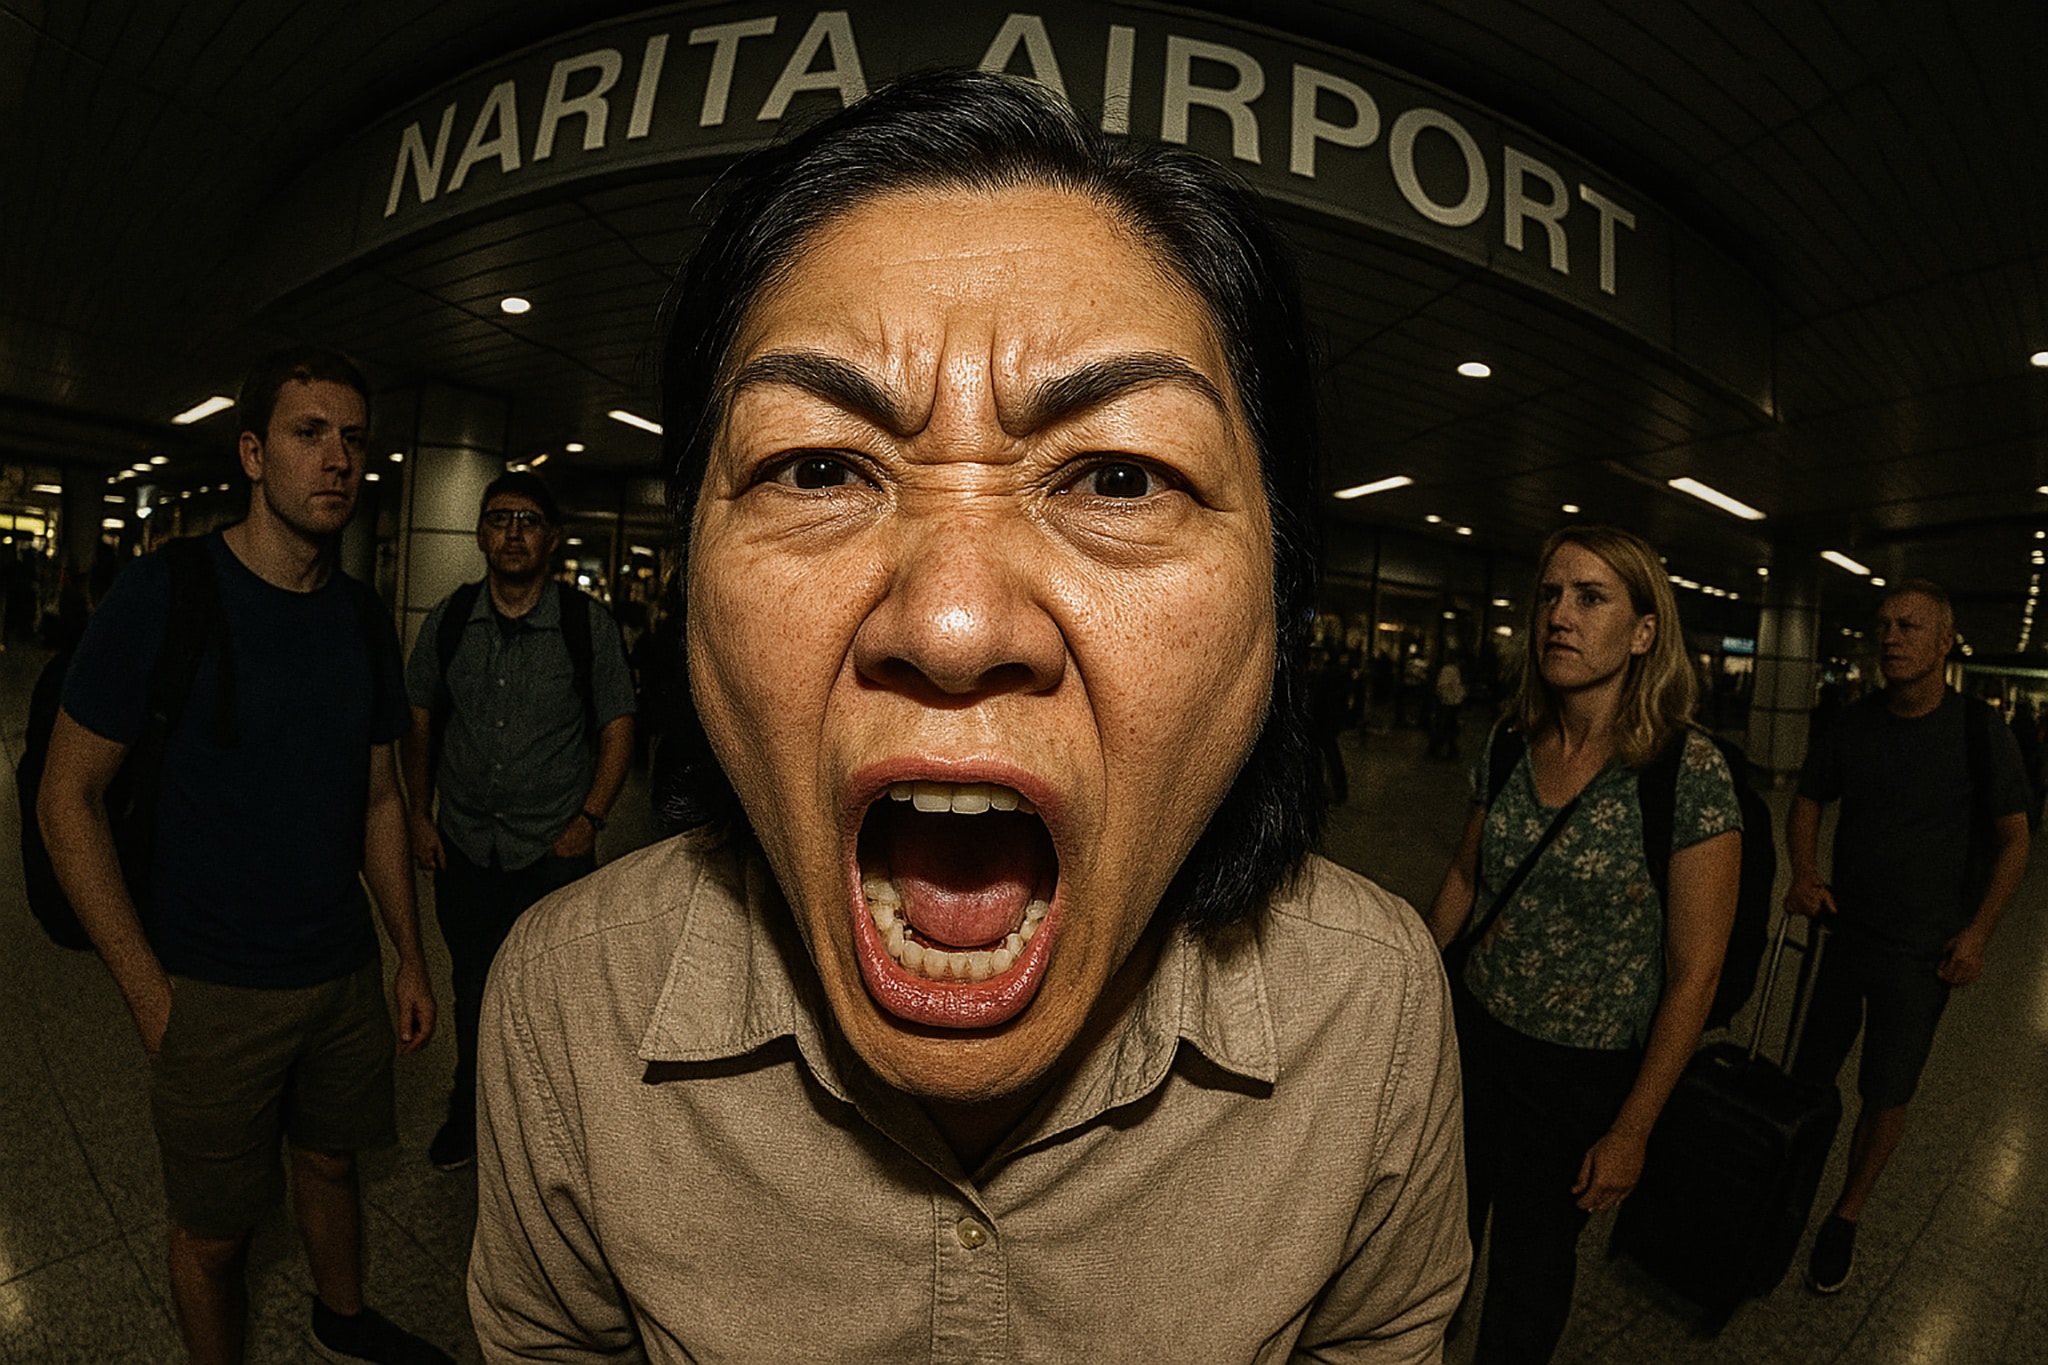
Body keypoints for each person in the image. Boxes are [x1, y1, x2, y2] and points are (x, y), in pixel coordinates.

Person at [466, 70, 1467, 1359]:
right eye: (817, 467)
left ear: (1277, 604)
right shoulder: (566, 1002)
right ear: (693, 595)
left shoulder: (1375, 1012)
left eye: (1118, 474)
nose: (949, 625)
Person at [38, 348, 451, 1364]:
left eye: (355, 439)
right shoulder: (163, 593)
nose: (338, 460)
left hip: (340, 973)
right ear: (254, 454)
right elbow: (67, 799)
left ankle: (341, 1321)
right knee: (216, 1234)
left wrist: (407, 951)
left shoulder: (360, 616)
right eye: (311, 434)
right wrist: (149, 996)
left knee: (331, 1162)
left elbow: (378, 797)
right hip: (210, 985)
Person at [1426, 525, 1741, 1362]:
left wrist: (1633, 1127)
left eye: (1591, 597)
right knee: (1428, 1248)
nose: (1559, 616)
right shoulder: (1509, 740)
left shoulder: (1685, 770)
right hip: (1473, 1037)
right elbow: (1466, 878)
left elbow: (1694, 972)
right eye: (1550, 596)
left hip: (1579, 1078)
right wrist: (1416, 998)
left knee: (1528, 1281)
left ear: (1645, 632)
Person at [1785, 579, 2030, 1294]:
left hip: (1920, 956)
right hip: (1842, 935)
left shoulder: (1980, 732)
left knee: (1886, 1091)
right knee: (1807, 1074)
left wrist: (1978, 932)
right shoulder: (1854, 724)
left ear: (1945, 640)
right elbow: (1806, 797)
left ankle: (1846, 1216)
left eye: (1910, 626)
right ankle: (1784, 1187)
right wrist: (1804, 868)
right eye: (1884, 624)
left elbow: (2015, 843)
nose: (1890, 637)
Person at [399, 471, 636, 1172]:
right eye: (498, 518)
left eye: (528, 520)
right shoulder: (447, 621)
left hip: (551, 851)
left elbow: (618, 724)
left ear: (552, 539)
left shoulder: (583, 624)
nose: (511, 532)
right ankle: (468, 1117)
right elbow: (417, 719)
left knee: (551, 997)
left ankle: (542, 1133)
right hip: (467, 848)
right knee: (472, 989)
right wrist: (418, 811)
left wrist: (591, 817)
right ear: (479, 534)